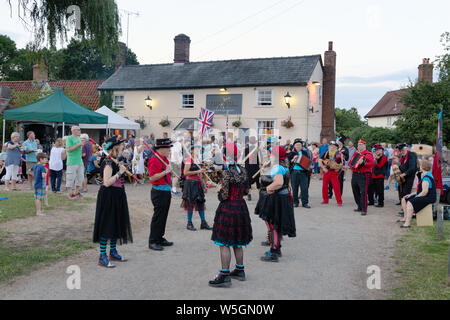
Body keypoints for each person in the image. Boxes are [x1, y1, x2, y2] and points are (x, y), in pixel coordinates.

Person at [209, 142, 252, 287]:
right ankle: (240, 270)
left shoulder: (227, 172)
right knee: (237, 242)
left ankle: (224, 275)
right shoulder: (243, 170)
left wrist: (219, 190)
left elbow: (224, 196)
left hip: (229, 209)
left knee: (224, 242)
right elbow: (246, 191)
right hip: (240, 207)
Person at [93, 136, 133, 268]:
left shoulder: (115, 161)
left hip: (118, 195)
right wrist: (120, 173)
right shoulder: (108, 163)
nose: (123, 146)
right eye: (121, 145)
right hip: (109, 197)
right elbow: (106, 182)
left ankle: (113, 252)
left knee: (116, 223)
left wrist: (120, 168)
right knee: (107, 225)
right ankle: (102, 256)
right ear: (115, 147)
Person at [255, 145, 296, 262]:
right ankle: (276, 248)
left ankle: (274, 252)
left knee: (273, 225)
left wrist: (268, 188)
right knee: (275, 225)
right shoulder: (283, 165)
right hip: (282, 197)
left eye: (272, 153)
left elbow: (278, 182)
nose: (270, 154)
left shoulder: (277, 167)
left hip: (277, 198)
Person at [148, 138, 174, 251]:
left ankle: (160, 237)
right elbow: (152, 178)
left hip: (165, 191)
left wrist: (169, 189)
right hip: (158, 192)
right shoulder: (154, 159)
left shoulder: (164, 159)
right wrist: (165, 172)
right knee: (158, 217)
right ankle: (153, 241)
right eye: (168, 148)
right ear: (161, 148)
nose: (169, 150)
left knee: (164, 216)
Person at [181, 145, 212, 231]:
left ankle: (203, 223)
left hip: (198, 184)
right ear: (191, 151)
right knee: (190, 203)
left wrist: (204, 186)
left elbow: (201, 175)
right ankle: (189, 223)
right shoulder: (188, 160)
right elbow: (185, 173)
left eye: (199, 149)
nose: (198, 150)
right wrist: (198, 171)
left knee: (201, 203)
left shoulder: (198, 160)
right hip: (190, 184)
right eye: (196, 149)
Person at [398, 159, 436, 228]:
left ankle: (407, 223)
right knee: (404, 199)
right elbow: (420, 190)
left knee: (410, 202)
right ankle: (405, 218)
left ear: (423, 167)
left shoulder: (426, 178)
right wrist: (411, 194)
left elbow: (424, 192)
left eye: (420, 165)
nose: (419, 166)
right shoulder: (425, 176)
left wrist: (416, 197)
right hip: (425, 196)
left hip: (429, 198)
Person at [350, 139, 375, 215]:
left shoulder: (368, 154)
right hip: (355, 174)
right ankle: (359, 206)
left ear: (365, 145)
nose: (359, 146)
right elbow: (352, 163)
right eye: (358, 145)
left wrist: (363, 163)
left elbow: (371, 164)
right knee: (355, 191)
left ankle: (364, 209)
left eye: (361, 145)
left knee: (363, 192)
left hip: (363, 175)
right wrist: (351, 167)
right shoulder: (356, 154)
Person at [288, 138, 312, 208]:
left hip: (303, 172)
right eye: (297, 145)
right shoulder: (291, 153)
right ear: (294, 146)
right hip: (294, 173)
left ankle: (305, 203)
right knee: (294, 188)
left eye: (299, 145)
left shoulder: (305, 153)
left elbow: (309, 162)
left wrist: (310, 166)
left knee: (304, 188)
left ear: (302, 146)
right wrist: (293, 159)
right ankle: (295, 202)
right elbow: (287, 163)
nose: (298, 146)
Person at [319, 141, 343, 206]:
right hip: (327, 172)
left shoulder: (339, 154)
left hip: (334, 173)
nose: (331, 147)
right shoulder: (326, 153)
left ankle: (339, 201)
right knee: (324, 186)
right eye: (330, 146)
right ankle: (325, 200)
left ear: (336, 147)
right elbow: (320, 160)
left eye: (333, 146)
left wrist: (338, 168)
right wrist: (323, 168)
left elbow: (341, 163)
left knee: (336, 187)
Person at [65, 126, 86, 199]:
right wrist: (79, 144)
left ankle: (76, 192)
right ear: (73, 131)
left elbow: (80, 149)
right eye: (78, 130)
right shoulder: (69, 138)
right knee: (70, 178)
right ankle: (70, 194)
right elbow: (68, 149)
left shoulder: (79, 138)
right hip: (72, 161)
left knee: (80, 177)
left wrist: (83, 143)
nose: (80, 131)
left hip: (79, 161)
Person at [244, 136, 261, 201]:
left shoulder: (246, 149)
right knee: (258, 182)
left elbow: (244, 159)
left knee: (248, 182)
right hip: (256, 167)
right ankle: (260, 195)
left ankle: (249, 195)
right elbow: (260, 159)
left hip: (248, 167)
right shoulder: (257, 149)